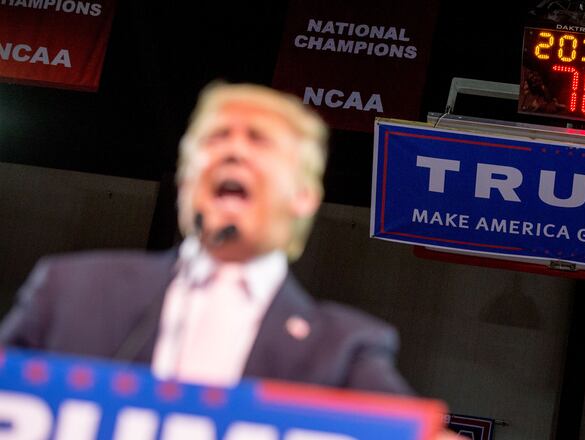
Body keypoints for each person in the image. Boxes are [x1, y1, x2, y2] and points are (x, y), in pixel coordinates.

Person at [0, 82, 412, 395]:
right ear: (184, 183)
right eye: (215, 138)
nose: (233, 151)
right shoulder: (69, 291)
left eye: (259, 140)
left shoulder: (344, 352)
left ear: (303, 196)